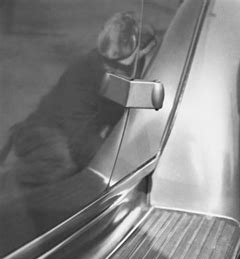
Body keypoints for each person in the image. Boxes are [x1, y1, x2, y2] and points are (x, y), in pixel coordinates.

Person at [3, 11, 157, 186]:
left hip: (74, 134)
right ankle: (12, 188)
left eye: (118, 68)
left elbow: (147, 99)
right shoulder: (85, 76)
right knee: (64, 163)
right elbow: (82, 142)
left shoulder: (114, 73)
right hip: (44, 133)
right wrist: (124, 167)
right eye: (111, 66)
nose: (113, 71)